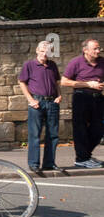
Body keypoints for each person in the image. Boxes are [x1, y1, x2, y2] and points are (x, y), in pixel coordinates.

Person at [18, 40, 61, 172]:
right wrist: (30, 99)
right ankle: (34, 164)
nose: (44, 54)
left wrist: (59, 95)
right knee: (35, 134)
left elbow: (57, 82)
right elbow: (21, 82)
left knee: (53, 134)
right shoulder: (29, 65)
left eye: (47, 52)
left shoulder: (52, 65)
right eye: (42, 51)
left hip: (52, 102)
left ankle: (49, 163)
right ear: (37, 50)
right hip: (37, 102)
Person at [62, 38, 103, 169]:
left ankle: (85, 155)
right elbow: (64, 81)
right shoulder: (76, 62)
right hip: (81, 97)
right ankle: (82, 158)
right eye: (95, 48)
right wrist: (87, 84)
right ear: (85, 50)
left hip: (98, 98)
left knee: (99, 128)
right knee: (80, 129)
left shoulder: (102, 62)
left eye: (99, 48)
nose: (99, 50)